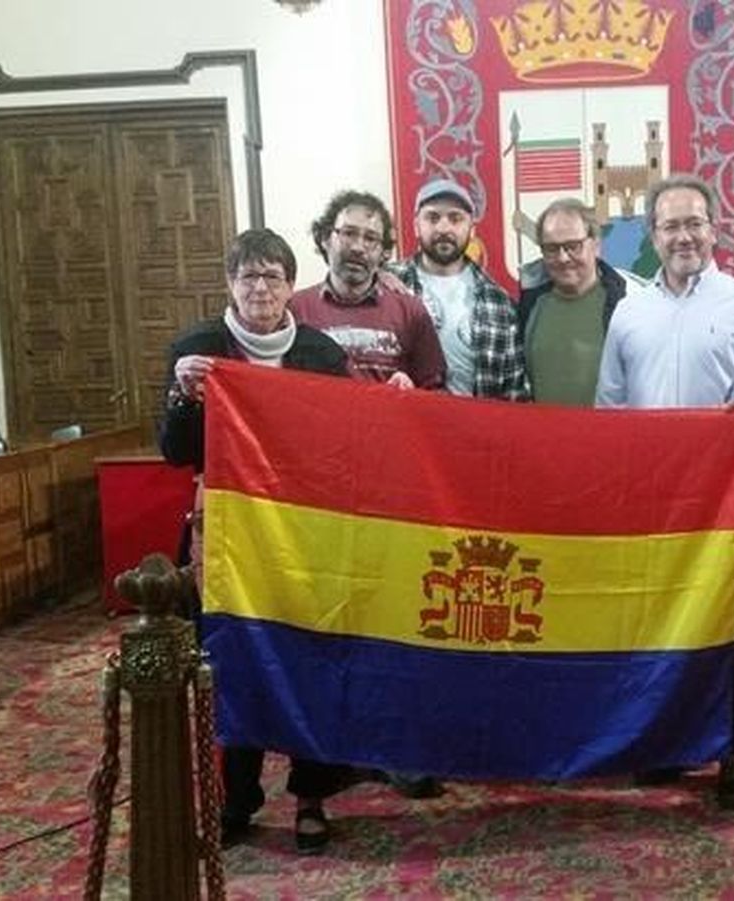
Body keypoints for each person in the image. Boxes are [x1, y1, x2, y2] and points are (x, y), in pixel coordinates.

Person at [595, 174, 734, 810]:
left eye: (694, 223)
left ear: (714, 229)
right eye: (670, 225)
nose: (683, 235)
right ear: (651, 235)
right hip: (656, 504)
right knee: (660, 623)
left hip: (731, 500)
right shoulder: (629, 309)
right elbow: (611, 405)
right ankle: (669, 741)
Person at [158, 227, 354, 854]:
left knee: (310, 657)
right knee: (232, 659)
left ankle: (312, 796)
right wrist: (184, 399)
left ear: (291, 285)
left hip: (305, 536)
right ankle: (236, 797)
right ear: (230, 285)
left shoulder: (321, 354)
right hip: (230, 540)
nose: (260, 288)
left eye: (272, 276)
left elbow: (348, 442)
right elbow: (176, 452)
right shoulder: (200, 349)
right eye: (248, 277)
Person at [290, 190, 446, 390]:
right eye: (348, 233)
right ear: (325, 239)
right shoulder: (295, 309)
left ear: (384, 252)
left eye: (370, 238)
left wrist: (411, 391)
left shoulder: (411, 312)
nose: (358, 247)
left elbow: (434, 392)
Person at [391, 178, 528, 400]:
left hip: (474, 431)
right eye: (433, 217)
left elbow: (514, 393)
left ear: (472, 230)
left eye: (455, 218)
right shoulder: (387, 286)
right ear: (416, 226)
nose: (444, 228)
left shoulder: (499, 303)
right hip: (404, 428)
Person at [516, 198, 639, 406]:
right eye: (552, 248)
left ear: (596, 245)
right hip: (543, 436)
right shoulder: (530, 306)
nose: (563, 258)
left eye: (573, 246)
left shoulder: (628, 303)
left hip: (609, 435)